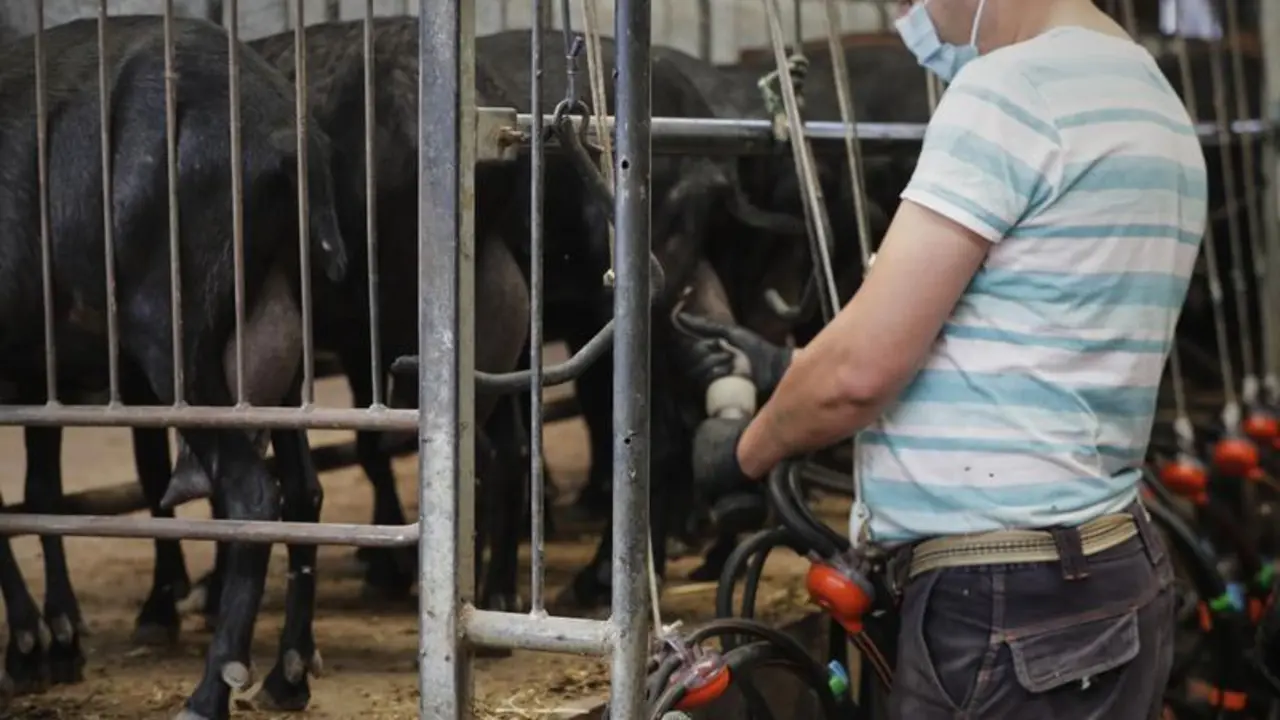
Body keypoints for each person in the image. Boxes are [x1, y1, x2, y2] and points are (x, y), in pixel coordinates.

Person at [676, 0, 1206, 717]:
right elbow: (1037, 322)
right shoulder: (1152, 97)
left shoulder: (1013, 90)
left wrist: (747, 449)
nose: (908, 14)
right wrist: (790, 373)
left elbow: (858, 375)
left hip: (1003, 602)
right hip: (1109, 570)